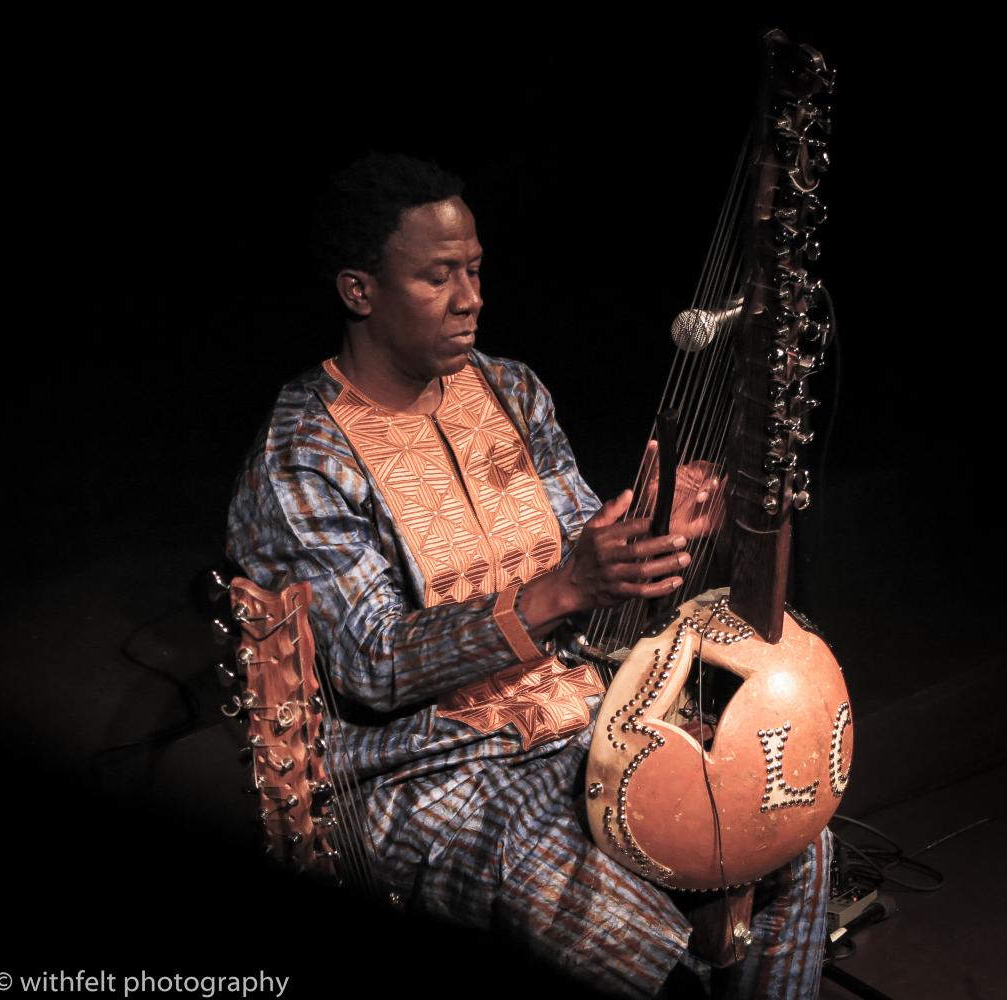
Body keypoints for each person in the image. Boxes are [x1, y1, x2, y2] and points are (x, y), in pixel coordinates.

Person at [226, 153, 832, 998]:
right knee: (605, 908)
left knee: (785, 816)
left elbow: (597, 596)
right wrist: (568, 587)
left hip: (583, 716)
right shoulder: (304, 457)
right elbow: (369, 666)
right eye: (438, 277)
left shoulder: (511, 391)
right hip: (425, 766)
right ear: (360, 292)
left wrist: (648, 541)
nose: (471, 296)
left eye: (474, 269)